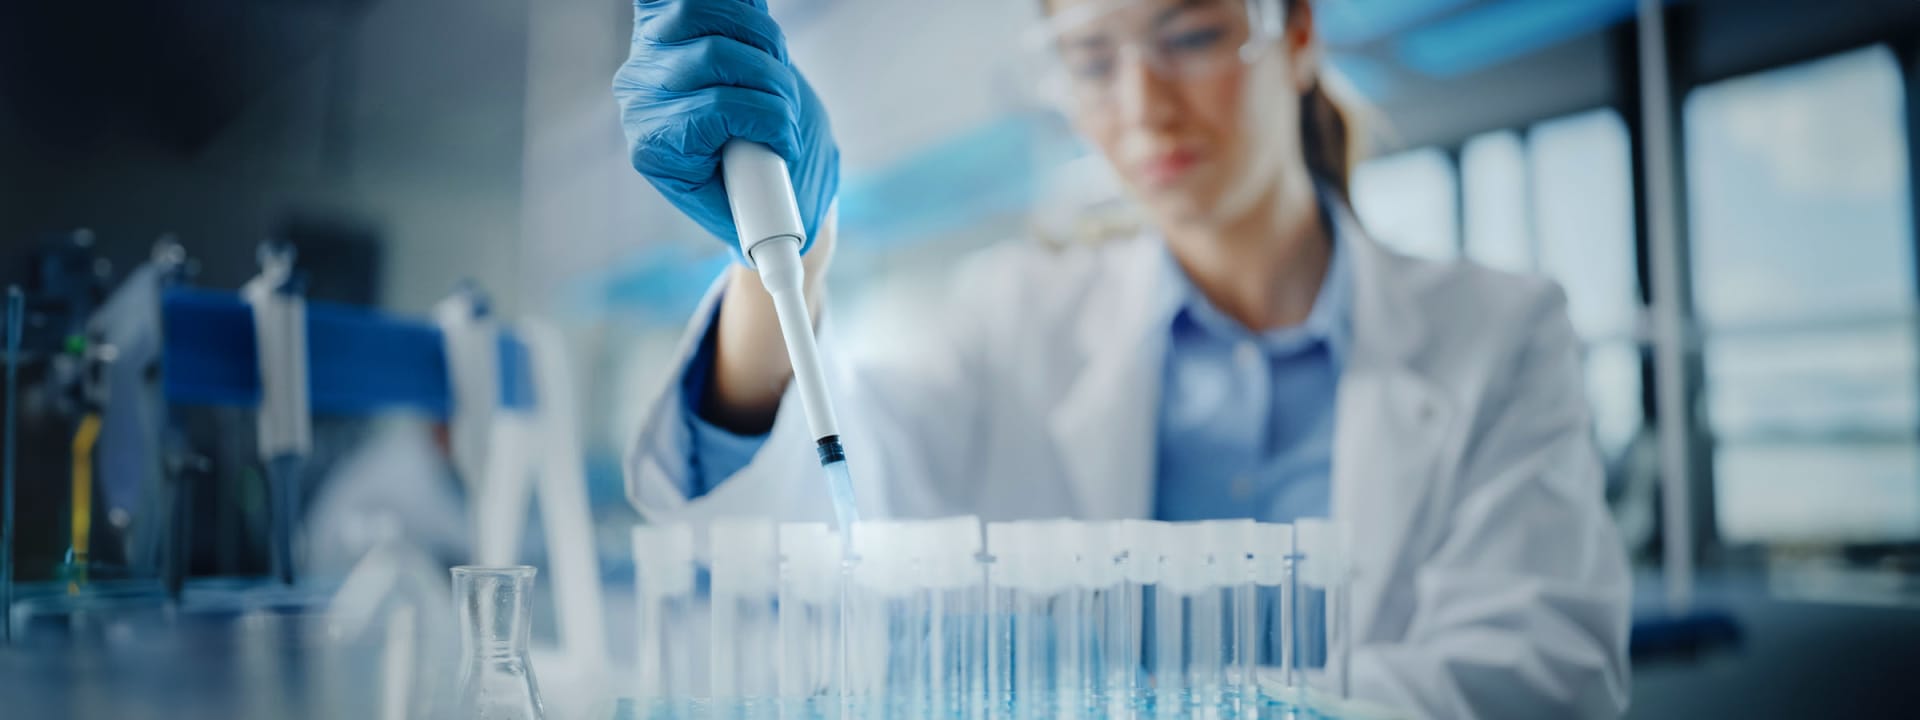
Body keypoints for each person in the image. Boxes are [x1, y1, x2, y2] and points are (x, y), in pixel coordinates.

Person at [612, 0, 1630, 716]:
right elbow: (822, 505)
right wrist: (790, 261)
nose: (1142, 103)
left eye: (1188, 32)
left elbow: (1540, 675)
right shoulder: (1010, 319)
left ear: (1297, 31)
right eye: (1093, 58)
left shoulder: (1501, 332)